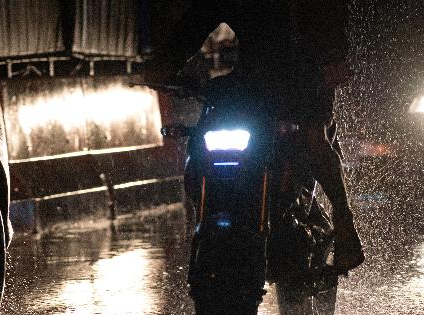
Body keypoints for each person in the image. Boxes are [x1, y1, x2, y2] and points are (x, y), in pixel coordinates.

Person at [146, 0, 364, 274]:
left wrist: (333, 61)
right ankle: (209, 217)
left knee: (314, 137)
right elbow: (199, 19)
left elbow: (330, 20)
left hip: (308, 78)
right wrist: (166, 64)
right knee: (205, 130)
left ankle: (345, 223)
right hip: (252, 82)